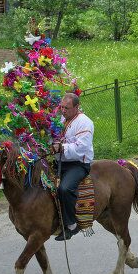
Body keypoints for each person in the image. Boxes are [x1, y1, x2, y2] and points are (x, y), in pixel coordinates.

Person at [52, 93, 94, 241]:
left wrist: (61, 148)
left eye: (67, 108)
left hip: (78, 164)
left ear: (76, 107)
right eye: (62, 107)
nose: (63, 111)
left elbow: (81, 148)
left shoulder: (84, 122)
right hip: (60, 162)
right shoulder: (61, 119)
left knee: (64, 188)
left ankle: (71, 225)